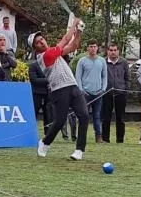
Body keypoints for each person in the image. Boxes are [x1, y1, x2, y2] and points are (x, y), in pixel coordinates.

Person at [32, 23, 89, 160]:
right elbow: (65, 40)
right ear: (35, 48)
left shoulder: (53, 51)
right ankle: (45, 143)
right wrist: (74, 24)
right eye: (38, 42)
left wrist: (79, 31)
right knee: (60, 121)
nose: (42, 41)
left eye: (42, 39)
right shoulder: (44, 56)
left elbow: (73, 46)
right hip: (59, 89)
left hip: (72, 85)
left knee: (84, 116)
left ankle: (79, 150)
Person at [76, 41, 107, 143]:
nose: (93, 48)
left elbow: (104, 76)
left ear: (97, 48)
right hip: (85, 93)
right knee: (84, 115)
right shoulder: (82, 61)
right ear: (87, 48)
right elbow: (78, 77)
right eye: (91, 46)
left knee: (97, 116)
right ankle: (81, 136)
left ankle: (98, 137)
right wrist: (81, 90)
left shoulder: (102, 61)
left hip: (98, 93)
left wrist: (103, 89)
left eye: (94, 46)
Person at [101, 43, 130, 144]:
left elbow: (127, 78)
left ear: (118, 51)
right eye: (111, 50)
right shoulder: (103, 62)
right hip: (107, 93)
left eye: (115, 50)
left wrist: (126, 91)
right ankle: (105, 139)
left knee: (120, 118)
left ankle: (120, 140)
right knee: (106, 118)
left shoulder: (124, 62)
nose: (113, 52)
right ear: (108, 51)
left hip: (121, 93)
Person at [29, 57, 52, 130]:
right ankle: (32, 131)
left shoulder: (49, 65)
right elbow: (34, 79)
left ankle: (48, 133)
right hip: (36, 94)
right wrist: (48, 80)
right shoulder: (33, 65)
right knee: (34, 113)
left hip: (48, 94)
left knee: (48, 115)